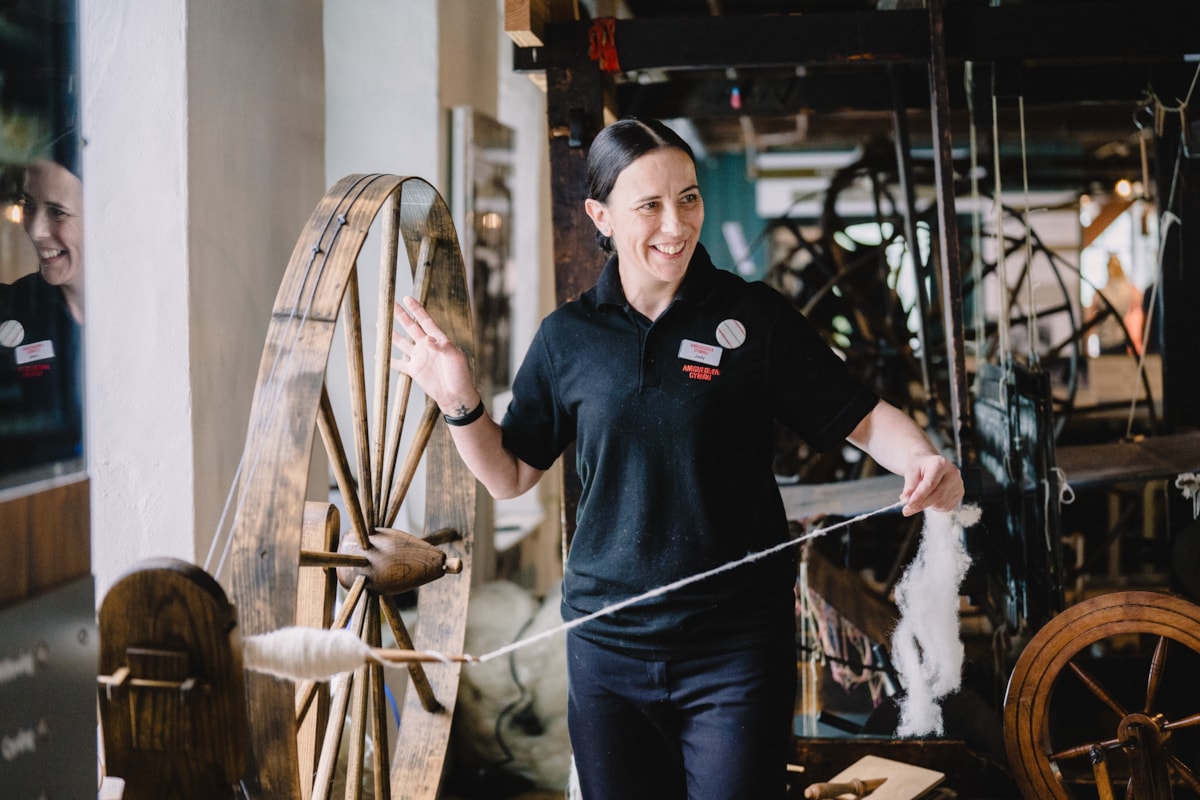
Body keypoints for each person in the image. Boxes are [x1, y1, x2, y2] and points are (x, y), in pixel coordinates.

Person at [392, 118, 963, 800]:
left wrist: (922, 457)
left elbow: (864, 419)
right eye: (650, 205)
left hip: (735, 652)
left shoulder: (754, 318)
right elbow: (510, 475)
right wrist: (459, 398)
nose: (676, 224)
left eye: (689, 198)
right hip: (607, 650)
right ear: (600, 215)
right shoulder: (568, 338)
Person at [0, 158, 84, 475]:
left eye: (57, 212)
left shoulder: (137, 316)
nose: (35, 231)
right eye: (29, 205)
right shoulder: (12, 307)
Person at [1086, 252, 1142, 356]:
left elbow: (1090, 320)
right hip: (1120, 339)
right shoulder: (1130, 290)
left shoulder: (1100, 293)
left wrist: (1086, 346)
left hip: (1105, 341)